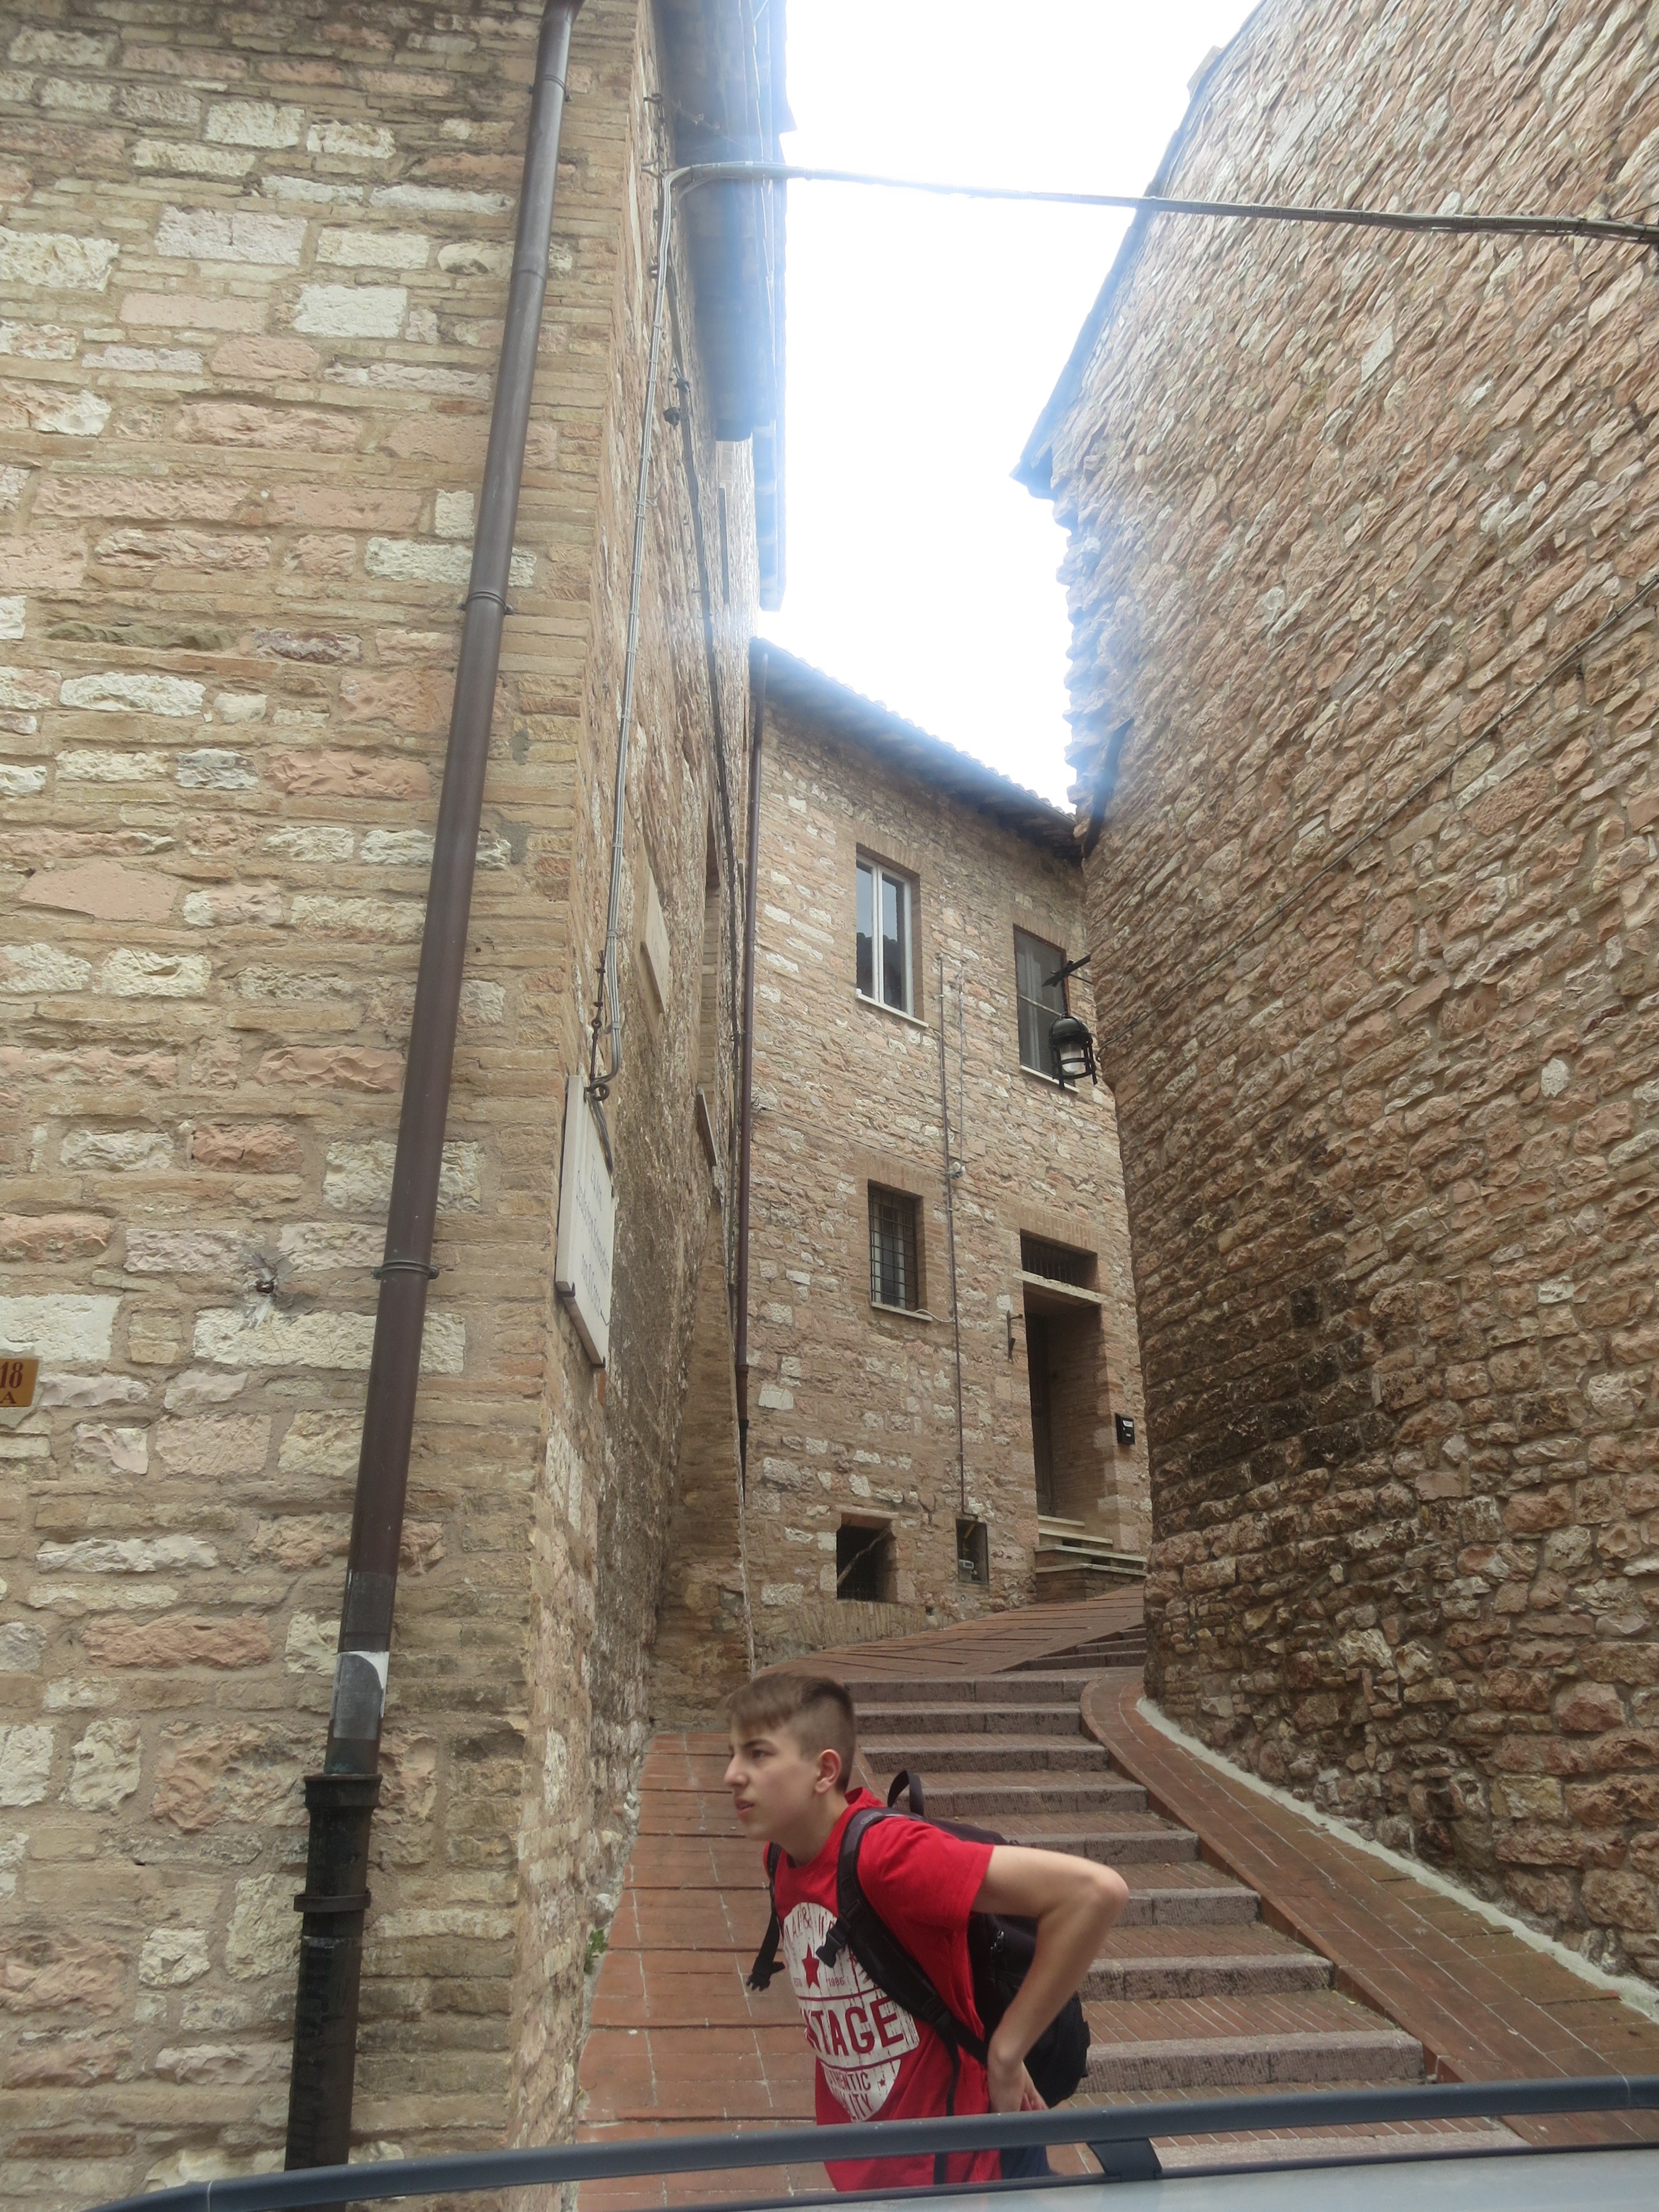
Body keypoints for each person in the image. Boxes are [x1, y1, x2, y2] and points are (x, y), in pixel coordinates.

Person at [725, 1672, 1128, 2192]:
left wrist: (1007, 2053)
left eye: (758, 1754)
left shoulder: (887, 1856)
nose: (733, 1775)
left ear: (824, 1771)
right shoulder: (780, 1857)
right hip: (876, 2165)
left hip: (967, 2168)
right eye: (733, 1754)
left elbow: (1094, 1892)